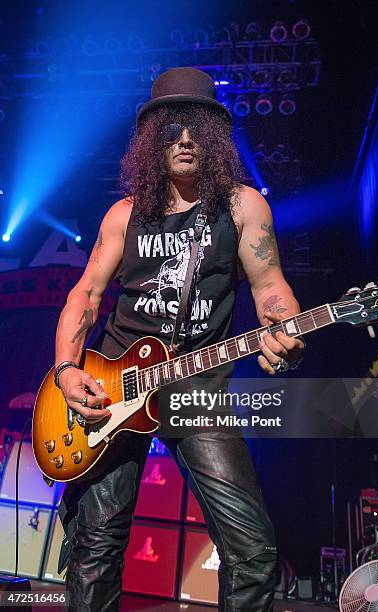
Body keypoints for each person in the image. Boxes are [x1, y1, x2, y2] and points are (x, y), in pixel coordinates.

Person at [55, 67, 305, 612]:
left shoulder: (241, 208)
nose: (185, 139)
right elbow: (86, 297)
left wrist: (283, 332)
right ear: (152, 141)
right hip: (113, 391)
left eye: (196, 128)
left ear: (213, 139)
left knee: (253, 551)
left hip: (197, 392)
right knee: (96, 548)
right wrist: (67, 370)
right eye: (172, 128)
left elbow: (270, 290)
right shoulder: (125, 215)